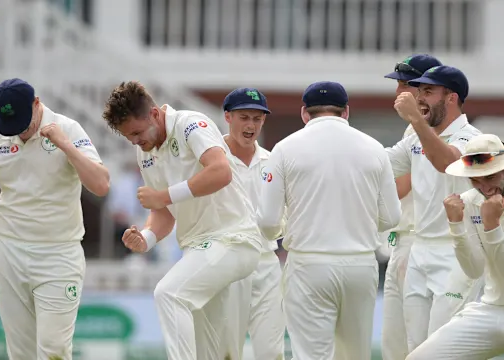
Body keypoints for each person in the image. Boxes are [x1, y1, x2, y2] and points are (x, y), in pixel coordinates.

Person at [0, 78, 109, 360]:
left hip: (59, 252)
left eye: (23, 121)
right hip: (10, 251)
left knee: (54, 350)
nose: (19, 131)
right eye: (12, 124)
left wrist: (66, 146)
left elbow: (101, 185)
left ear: (36, 103)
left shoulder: (67, 129)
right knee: (20, 353)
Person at [102, 81, 263, 360]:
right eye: (130, 138)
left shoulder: (191, 124)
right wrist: (147, 237)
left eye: (138, 133)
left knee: (169, 294)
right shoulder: (146, 152)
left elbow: (220, 171)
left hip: (234, 240)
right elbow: (162, 212)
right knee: (218, 354)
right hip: (200, 252)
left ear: (154, 114)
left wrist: (164, 195)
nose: (136, 141)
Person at [258, 81, 401, 360]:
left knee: (312, 355)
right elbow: (391, 217)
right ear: (345, 112)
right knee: (355, 355)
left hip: (309, 264)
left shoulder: (285, 149)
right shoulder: (373, 148)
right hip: (360, 265)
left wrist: (289, 226)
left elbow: (267, 221)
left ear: (304, 113)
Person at [406, 133, 504, 359]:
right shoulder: (471, 201)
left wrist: (491, 225)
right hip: (491, 308)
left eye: (490, 177)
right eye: (475, 180)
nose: (484, 188)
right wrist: (456, 226)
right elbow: (474, 269)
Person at [385, 65, 484, 352]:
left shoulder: (472, 137)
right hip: (420, 249)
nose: (419, 98)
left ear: (451, 98)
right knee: (416, 347)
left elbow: (448, 163)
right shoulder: (416, 137)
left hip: (457, 254)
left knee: (443, 348)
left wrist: (416, 120)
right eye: (419, 91)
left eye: (428, 91)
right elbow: (378, 165)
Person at [380, 53, 442, 360]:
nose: (397, 93)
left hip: (420, 244)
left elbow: (400, 187)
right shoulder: (412, 131)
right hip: (404, 242)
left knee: (414, 346)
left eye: (403, 85)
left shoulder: (427, 131)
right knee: (396, 344)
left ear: (424, 90)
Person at [220, 87, 285, 360]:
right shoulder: (212, 160)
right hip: (225, 260)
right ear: (228, 117)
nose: (250, 126)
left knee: (271, 352)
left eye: (257, 119)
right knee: (226, 351)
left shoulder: (273, 161)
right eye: (244, 117)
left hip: (266, 262)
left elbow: (286, 214)